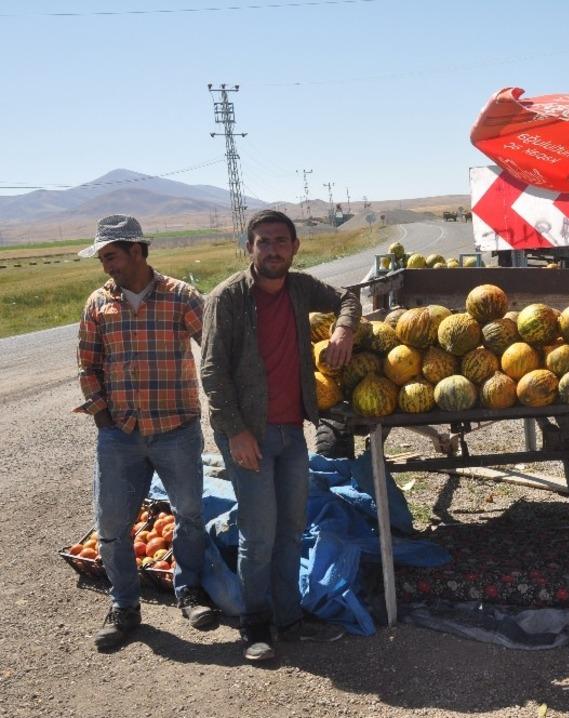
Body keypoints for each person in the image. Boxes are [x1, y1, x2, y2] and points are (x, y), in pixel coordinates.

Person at [200, 209, 358, 661]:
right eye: (263, 241)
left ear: (294, 247)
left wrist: (344, 328)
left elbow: (347, 297)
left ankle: (289, 620)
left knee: (291, 530)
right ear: (249, 248)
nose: (272, 249)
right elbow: (212, 373)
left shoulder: (301, 288)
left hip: (291, 431)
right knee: (259, 535)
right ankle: (256, 627)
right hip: (250, 435)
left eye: (280, 241)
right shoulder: (227, 298)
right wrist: (236, 433)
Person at [75, 214, 216, 651]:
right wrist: (102, 415)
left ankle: (188, 591)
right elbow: (88, 364)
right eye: (102, 258)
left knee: (190, 513)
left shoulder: (181, 297)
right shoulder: (98, 304)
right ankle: (125, 607)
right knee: (112, 525)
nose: (106, 266)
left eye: (111, 256)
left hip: (176, 429)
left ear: (137, 251)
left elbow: (213, 349)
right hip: (121, 435)